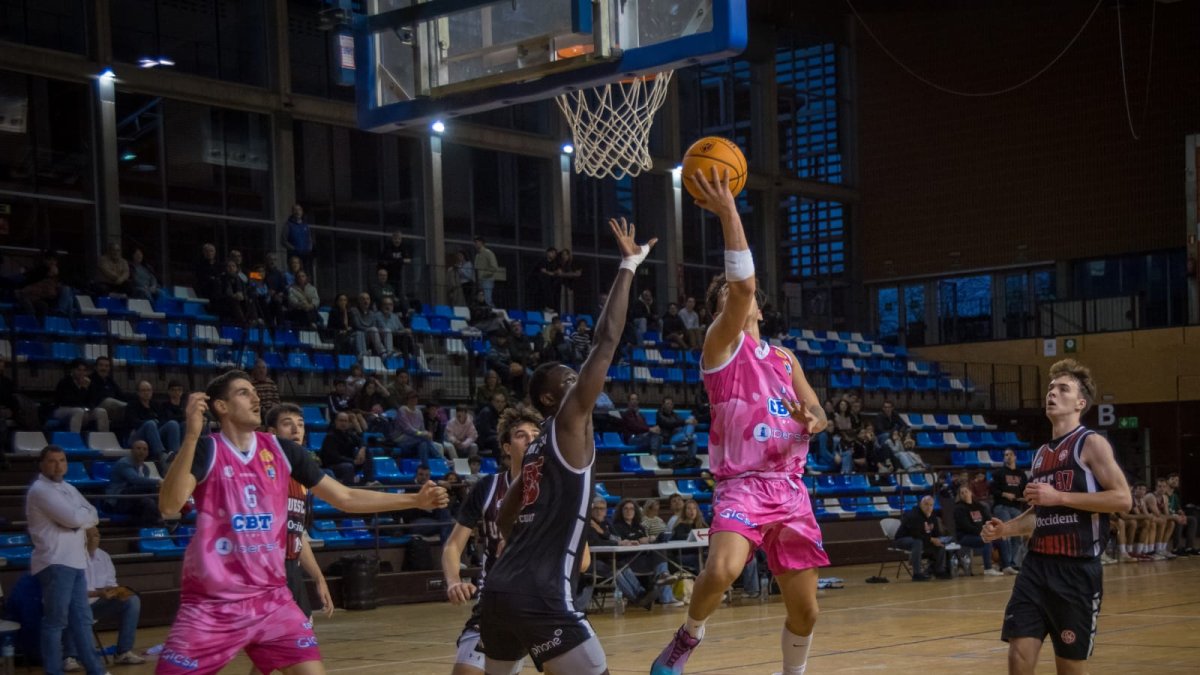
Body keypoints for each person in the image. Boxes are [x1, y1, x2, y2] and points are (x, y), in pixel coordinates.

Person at [652, 169, 829, 675]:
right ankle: (689, 635)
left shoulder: (785, 358)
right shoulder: (720, 348)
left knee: (807, 611)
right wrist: (729, 208)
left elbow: (818, 413)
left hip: (790, 489)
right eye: (730, 298)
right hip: (743, 485)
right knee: (724, 568)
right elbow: (744, 284)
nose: (741, 299)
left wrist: (810, 421)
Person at [155, 370, 447, 675]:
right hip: (213, 603)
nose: (255, 397)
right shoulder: (207, 449)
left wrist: (414, 500)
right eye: (244, 392)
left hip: (272, 599)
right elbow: (170, 505)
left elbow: (345, 497)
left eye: (255, 392)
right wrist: (190, 435)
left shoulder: (284, 451)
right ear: (221, 406)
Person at [480, 217, 655, 674]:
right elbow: (606, 340)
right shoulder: (567, 422)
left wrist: (528, 543)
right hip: (540, 593)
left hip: (499, 589)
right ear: (550, 399)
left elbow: (504, 513)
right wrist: (629, 266)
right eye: (571, 380)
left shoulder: (537, 450)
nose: (582, 384)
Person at [982, 359, 1131, 675]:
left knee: (1069, 668)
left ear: (1080, 403)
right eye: (1050, 388)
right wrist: (1004, 529)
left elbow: (1123, 499)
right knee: (1018, 659)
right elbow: (1040, 513)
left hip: (1075, 572)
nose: (1052, 393)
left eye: (1063, 389)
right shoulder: (1040, 455)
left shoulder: (1091, 444)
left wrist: (1060, 496)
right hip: (1035, 568)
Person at [440, 407, 544, 675]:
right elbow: (453, 545)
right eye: (522, 435)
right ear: (508, 448)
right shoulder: (488, 487)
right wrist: (453, 581)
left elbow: (582, 560)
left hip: (544, 602)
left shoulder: (555, 490)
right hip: (494, 601)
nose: (531, 439)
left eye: (536, 434)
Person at [26, 446, 107, 675]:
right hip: (54, 562)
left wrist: (78, 518)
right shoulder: (40, 490)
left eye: (61, 460)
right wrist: (78, 518)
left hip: (76, 562)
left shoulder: (68, 488)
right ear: (42, 464)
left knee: (82, 621)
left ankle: (96, 670)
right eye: (52, 461)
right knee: (56, 622)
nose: (58, 465)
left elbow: (93, 514)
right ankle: (53, 671)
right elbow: (74, 518)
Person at [264, 404, 334, 632]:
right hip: (265, 571)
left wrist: (318, 577)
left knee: (287, 647)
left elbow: (297, 534)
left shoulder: (302, 478)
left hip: (290, 569)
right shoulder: (264, 472)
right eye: (288, 424)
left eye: (301, 425)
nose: (296, 430)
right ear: (272, 432)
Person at [63, 527, 145, 668]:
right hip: (76, 605)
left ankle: (123, 652)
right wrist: (98, 593)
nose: (96, 537)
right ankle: (70, 656)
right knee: (73, 606)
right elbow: (69, 592)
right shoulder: (70, 558)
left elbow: (110, 584)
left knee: (132, 600)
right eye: (91, 535)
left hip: (98, 604)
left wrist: (118, 592)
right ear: (82, 538)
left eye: (97, 535)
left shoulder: (104, 556)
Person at [954, 483, 1013, 576]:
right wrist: (984, 533)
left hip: (982, 534)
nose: (965, 494)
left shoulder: (979, 506)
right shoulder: (959, 508)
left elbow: (988, 520)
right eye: (962, 493)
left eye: (966, 491)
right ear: (960, 496)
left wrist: (993, 530)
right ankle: (988, 569)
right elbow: (966, 526)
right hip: (965, 536)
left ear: (970, 492)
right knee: (987, 540)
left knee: (1001, 539)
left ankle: (1006, 566)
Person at [104, 439, 163, 524]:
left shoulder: (146, 469)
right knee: (153, 489)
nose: (141, 451)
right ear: (132, 451)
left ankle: (155, 527)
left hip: (134, 501)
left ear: (147, 453)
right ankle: (161, 522)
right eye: (138, 448)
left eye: (144, 449)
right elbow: (135, 480)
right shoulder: (124, 463)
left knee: (148, 502)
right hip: (118, 500)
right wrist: (159, 482)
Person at [991, 448, 1030, 566]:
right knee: (1007, 533)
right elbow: (992, 490)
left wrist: (1026, 498)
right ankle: (1006, 563)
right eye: (1005, 455)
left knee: (1017, 535)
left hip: (1016, 507)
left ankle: (1014, 562)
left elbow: (1025, 490)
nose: (1008, 456)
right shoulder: (999, 473)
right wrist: (1004, 494)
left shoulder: (1021, 474)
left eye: (1010, 454)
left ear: (1015, 457)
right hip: (1001, 506)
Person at [127, 381, 181, 464]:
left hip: (154, 434)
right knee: (150, 424)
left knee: (172, 424)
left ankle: (175, 454)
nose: (146, 393)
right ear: (138, 392)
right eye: (143, 390)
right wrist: (152, 422)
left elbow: (163, 420)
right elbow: (133, 422)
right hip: (138, 435)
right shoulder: (132, 405)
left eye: (148, 390)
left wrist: (155, 423)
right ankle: (161, 455)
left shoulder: (156, 405)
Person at [53, 359, 109, 433]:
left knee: (101, 411)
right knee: (78, 411)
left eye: (84, 370)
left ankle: (104, 438)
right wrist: (83, 389)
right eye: (79, 370)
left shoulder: (88, 382)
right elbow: (72, 402)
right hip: (64, 410)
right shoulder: (65, 382)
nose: (81, 373)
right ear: (72, 370)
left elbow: (92, 400)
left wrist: (90, 407)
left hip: (82, 410)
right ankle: (74, 438)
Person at [320, 412, 369, 486]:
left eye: (345, 421)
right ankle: (348, 489)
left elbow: (362, 442)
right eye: (341, 420)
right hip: (333, 466)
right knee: (348, 466)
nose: (343, 423)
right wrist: (353, 461)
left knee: (368, 452)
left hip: (350, 462)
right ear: (336, 422)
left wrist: (362, 449)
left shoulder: (350, 434)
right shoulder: (330, 436)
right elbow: (334, 458)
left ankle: (368, 482)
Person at [1166, 473, 1198, 555]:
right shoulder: (1164, 494)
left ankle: (1189, 547)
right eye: (1172, 479)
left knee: (1192, 519)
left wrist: (1182, 514)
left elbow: (1178, 509)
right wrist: (1177, 516)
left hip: (1175, 515)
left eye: (1177, 480)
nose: (1175, 481)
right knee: (1178, 520)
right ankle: (1176, 548)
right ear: (1167, 481)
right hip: (1167, 516)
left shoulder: (1175, 495)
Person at [473, 391, 508, 459]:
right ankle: (500, 463)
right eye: (497, 402)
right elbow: (486, 430)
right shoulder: (486, 412)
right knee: (497, 440)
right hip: (483, 439)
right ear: (492, 402)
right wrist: (501, 434)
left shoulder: (503, 413)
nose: (500, 404)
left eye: (502, 402)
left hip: (496, 436)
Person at [282, 204, 313, 272]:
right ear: (292, 212)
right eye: (295, 210)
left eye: (299, 210)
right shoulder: (288, 225)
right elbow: (283, 240)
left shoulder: (305, 226)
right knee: (294, 273)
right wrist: (293, 248)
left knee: (305, 273)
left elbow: (309, 239)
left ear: (302, 212)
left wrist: (309, 248)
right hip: (294, 255)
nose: (297, 212)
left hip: (305, 255)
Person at [250, 359, 281, 424]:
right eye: (259, 368)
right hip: (257, 413)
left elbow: (276, 400)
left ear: (266, 370)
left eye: (263, 368)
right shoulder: (250, 384)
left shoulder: (271, 383)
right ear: (254, 370)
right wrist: (262, 410)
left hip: (271, 413)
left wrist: (272, 410)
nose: (261, 370)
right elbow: (251, 401)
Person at [473, 236, 500, 305]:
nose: (475, 244)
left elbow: (494, 267)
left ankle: (491, 313)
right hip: (479, 281)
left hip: (487, 280)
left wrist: (484, 274)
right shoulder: (477, 255)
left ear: (481, 243)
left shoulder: (488, 253)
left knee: (487, 299)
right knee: (480, 300)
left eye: (476, 242)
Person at [555, 249, 581, 315]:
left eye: (566, 254)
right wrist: (571, 274)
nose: (564, 256)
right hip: (562, 287)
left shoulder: (573, 263)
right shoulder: (558, 264)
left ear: (569, 255)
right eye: (562, 255)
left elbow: (577, 274)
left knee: (571, 305)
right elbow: (558, 273)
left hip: (572, 287)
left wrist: (564, 274)